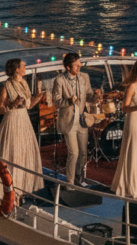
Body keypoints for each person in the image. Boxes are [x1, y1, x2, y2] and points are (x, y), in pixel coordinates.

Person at [0, 59, 46, 203]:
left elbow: (28, 105)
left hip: (24, 120)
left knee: (24, 154)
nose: (25, 67)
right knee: (13, 155)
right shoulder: (7, 85)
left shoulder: (24, 83)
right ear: (17, 69)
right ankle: (11, 192)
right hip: (12, 121)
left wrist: (38, 97)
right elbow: (0, 109)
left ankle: (21, 191)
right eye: (23, 66)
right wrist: (12, 104)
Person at [52, 53, 99, 186]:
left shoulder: (85, 77)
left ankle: (79, 179)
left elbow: (89, 94)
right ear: (68, 67)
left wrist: (96, 96)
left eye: (80, 64)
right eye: (77, 65)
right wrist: (69, 101)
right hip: (68, 122)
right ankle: (70, 182)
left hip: (82, 121)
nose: (80, 67)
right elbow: (56, 101)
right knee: (74, 152)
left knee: (83, 153)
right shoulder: (59, 80)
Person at [111, 60, 137, 200]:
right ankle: (132, 187)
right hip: (134, 120)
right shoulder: (131, 87)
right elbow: (124, 108)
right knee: (134, 151)